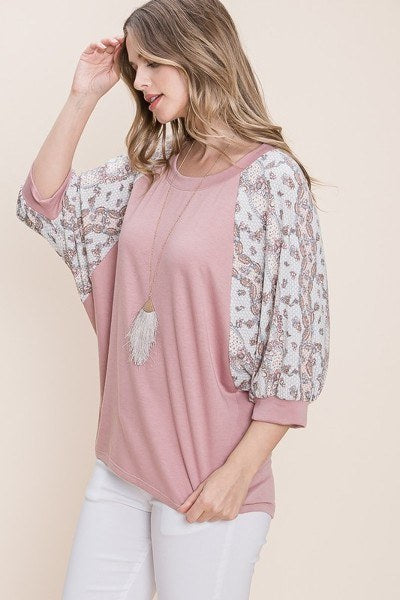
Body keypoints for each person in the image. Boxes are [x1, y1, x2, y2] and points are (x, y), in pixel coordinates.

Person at [16, 0, 330, 598]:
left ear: (198, 56)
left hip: (207, 476)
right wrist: (83, 96)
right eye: (134, 66)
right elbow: (45, 203)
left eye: (153, 63)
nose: (139, 81)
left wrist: (237, 475)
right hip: (121, 467)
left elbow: (294, 348)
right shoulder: (152, 165)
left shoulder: (271, 180)